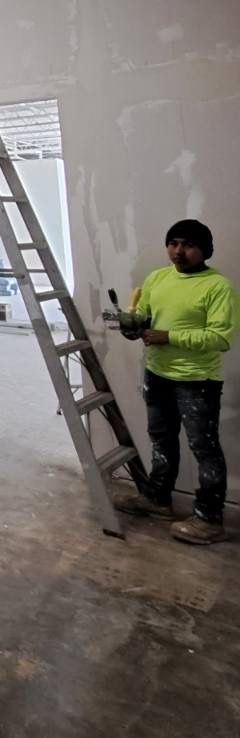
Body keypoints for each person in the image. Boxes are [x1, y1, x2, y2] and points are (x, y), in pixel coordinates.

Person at [116, 219, 234, 543]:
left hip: (197, 381)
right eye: (174, 243)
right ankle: (157, 499)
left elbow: (220, 338)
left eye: (188, 245)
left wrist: (170, 337)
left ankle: (209, 519)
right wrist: (133, 326)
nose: (179, 251)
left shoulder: (217, 287)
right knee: (161, 439)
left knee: (204, 448)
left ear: (204, 250)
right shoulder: (157, 278)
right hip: (158, 374)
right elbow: (145, 316)